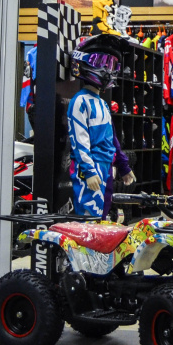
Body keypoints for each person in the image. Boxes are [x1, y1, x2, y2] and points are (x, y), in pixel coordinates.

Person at [67, 35, 135, 217]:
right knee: (89, 218)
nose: (106, 69)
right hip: (90, 167)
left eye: (111, 64)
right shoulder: (80, 101)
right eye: (100, 62)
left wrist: (123, 166)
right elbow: (79, 141)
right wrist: (89, 171)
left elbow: (112, 138)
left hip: (106, 166)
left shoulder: (102, 103)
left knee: (102, 216)